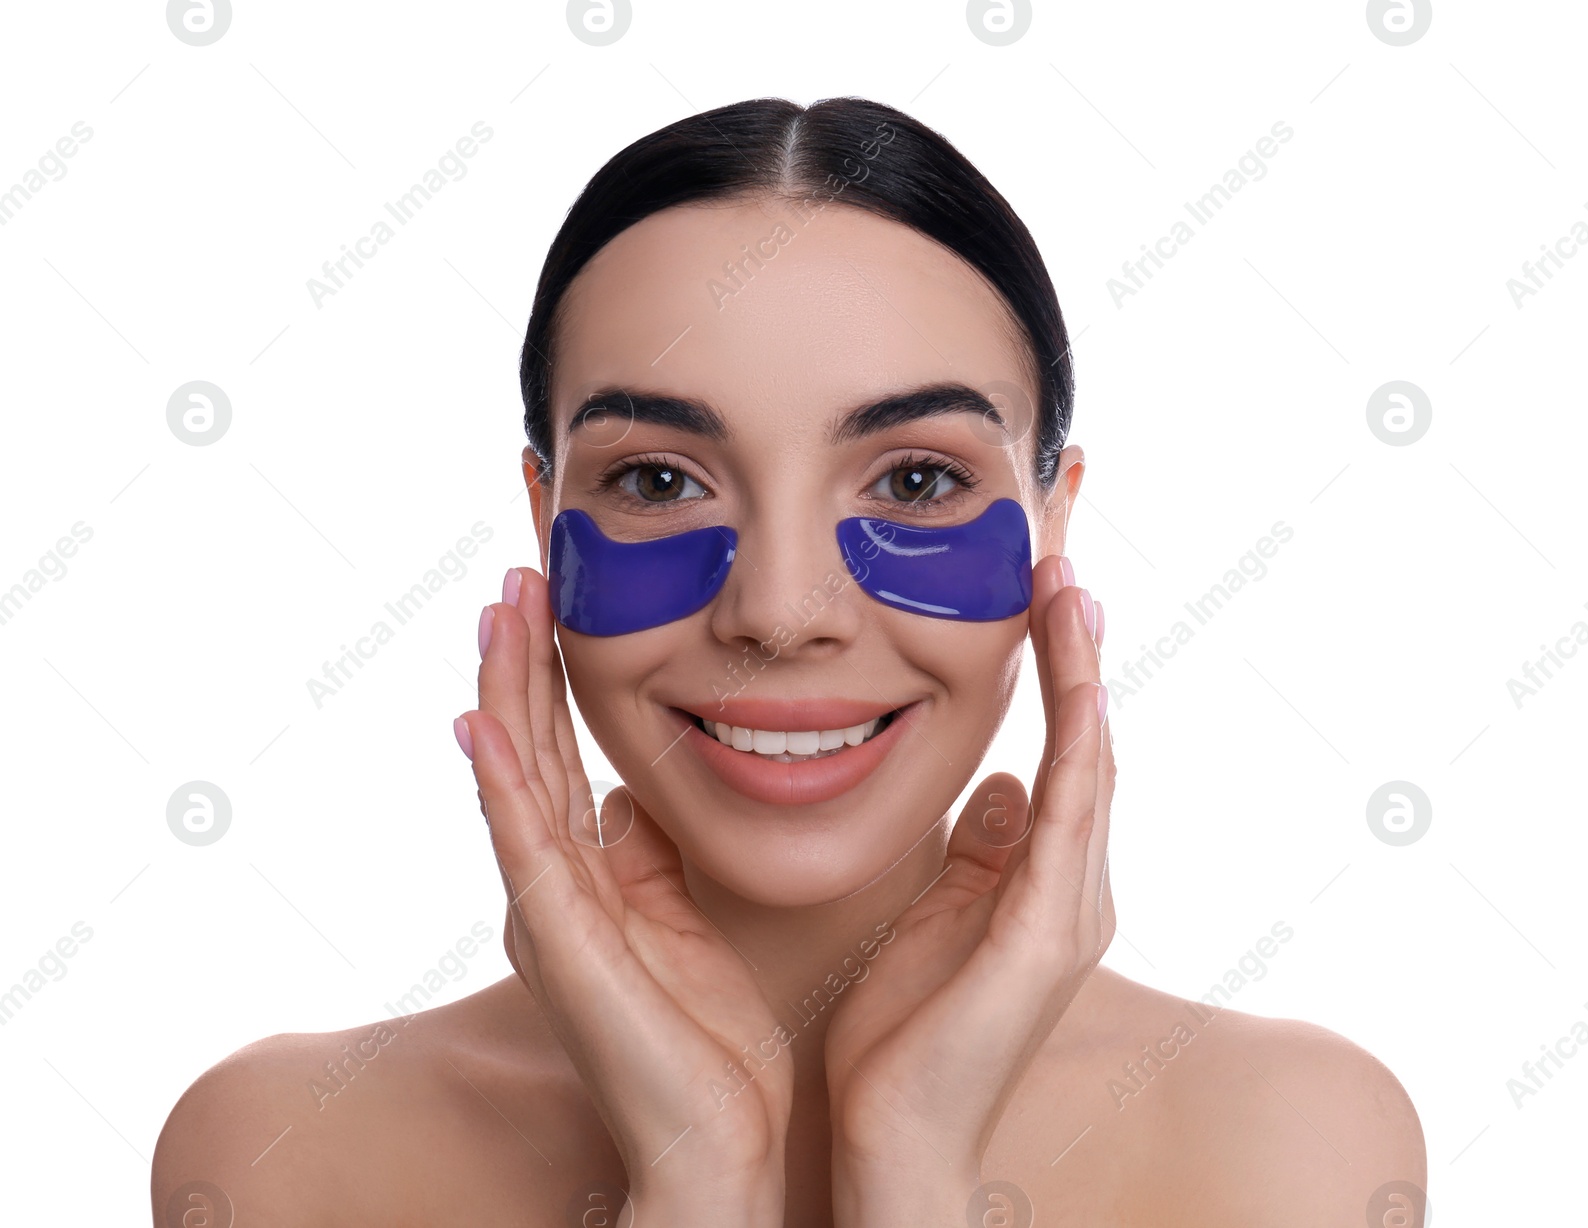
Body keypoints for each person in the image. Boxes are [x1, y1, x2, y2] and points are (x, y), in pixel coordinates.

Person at [152, 96, 1425, 1227]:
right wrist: (694, 1181)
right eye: (656, 479)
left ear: (1054, 522)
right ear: (544, 519)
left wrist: (913, 1168)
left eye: (916, 479)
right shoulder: (282, 1158)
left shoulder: (1292, 1145)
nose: (777, 610)